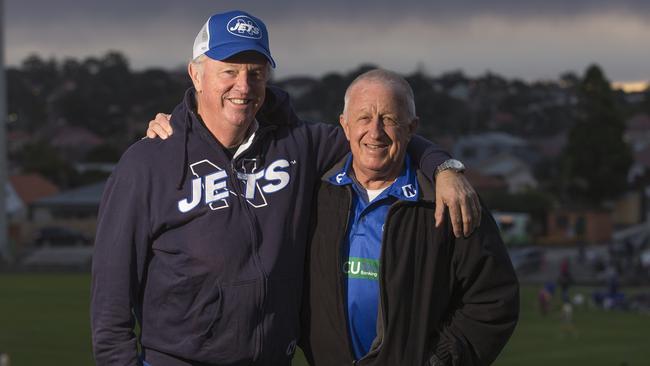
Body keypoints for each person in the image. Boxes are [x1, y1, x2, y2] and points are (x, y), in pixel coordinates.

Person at [92, 10, 480, 366]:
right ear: (196, 75)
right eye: (229, 71)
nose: (243, 86)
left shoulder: (300, 145)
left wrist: (444, 167)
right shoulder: (147, 163)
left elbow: (378, 137)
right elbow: (111, 302)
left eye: (256, 72)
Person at [300, 70, 519, 365]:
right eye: (364, 118)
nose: (375, 132)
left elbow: (494, 298)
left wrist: (439, 361)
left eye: (389, 119)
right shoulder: (315, 194)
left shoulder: (449, 200)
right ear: (345, 125)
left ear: (412, 128)